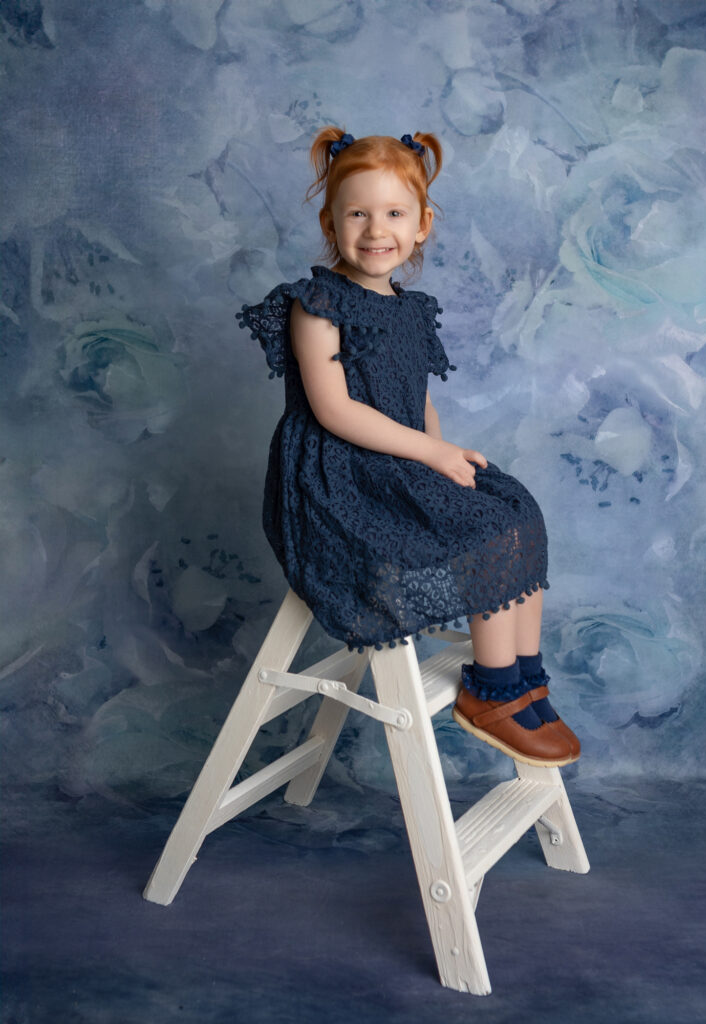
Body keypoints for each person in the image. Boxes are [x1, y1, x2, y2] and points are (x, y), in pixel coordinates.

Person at [236, 127, 580, 768]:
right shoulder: (316, 305)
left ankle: (526, 678)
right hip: (334, 480)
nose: (375, 230)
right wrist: (427, 457)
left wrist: (440, 456)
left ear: (421, 225)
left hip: (394, 461)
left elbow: (416, 399)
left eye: (393, 214)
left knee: (514, 508)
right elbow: (334, 410)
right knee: (483, 531)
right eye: (357, 214)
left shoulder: (408, 308)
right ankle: (491, 690)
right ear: (330, 222)